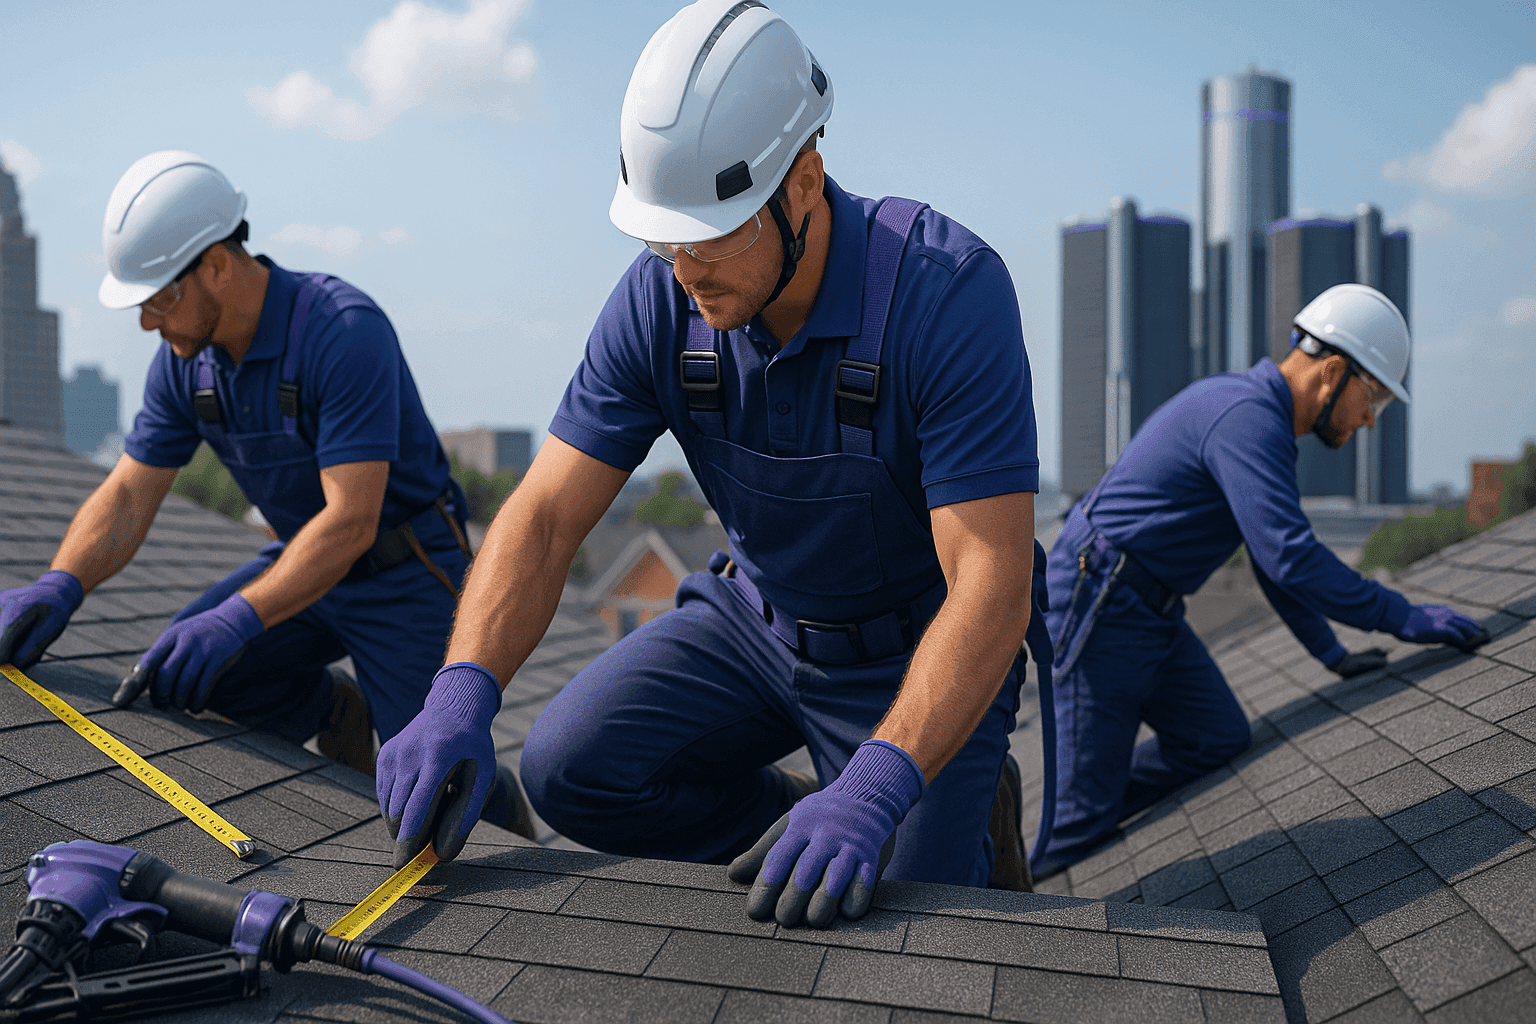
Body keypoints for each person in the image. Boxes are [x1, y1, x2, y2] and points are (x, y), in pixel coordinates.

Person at [376, 0, 1052, 924]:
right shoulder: (661, 298)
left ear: (804, 181)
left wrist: (876, 788)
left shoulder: (947, 297)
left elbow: (991, 587)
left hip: (913, 650)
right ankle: (789, 829)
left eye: (712, 232)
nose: (685, 267)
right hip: (756, 622)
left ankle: (934, 815)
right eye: (663, 236)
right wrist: (461, 691)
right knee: (567, 773)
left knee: (907, 912)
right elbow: (540, 520)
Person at [0, 151, 532, 839]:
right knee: (187, 677)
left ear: (218, 264)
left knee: (437, 780)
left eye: (158, 298)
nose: (146, 324)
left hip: (402, 570)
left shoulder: (341, 332)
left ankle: (506, 812)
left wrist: (235, 620)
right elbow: (130, 491)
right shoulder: (186, 366)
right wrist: (61, 583)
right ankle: (332, 709)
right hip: (300, 562)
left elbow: (350, 523)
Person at [1035, 283, 1486, 877]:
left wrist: (1329, 650)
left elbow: (1271, 555)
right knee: (1077, 826)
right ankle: (995, 905)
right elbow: (1289, 557)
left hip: (1147, 607)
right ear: (1332, 373)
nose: (1370, 421)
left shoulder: (1258, 417)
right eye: (1372, 399)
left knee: (1216, 736)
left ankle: (1094, 782)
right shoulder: (1246, 418)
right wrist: (1402, 615)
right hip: (1101, 602)